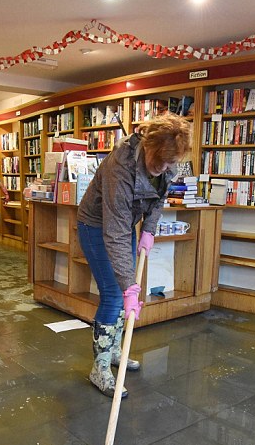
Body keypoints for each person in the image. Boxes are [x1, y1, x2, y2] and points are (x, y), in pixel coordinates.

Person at [76, 114, 192, 398]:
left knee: (121, 290)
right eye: (160, 161)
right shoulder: (122, 164)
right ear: (148, 145)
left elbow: (159, 197)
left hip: (124, 224)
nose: (164, 168)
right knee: (116, 295)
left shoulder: (168, 162)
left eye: (170, 163)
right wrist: (129, 287)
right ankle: (100, 367)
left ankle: (115, 350)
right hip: (96, 226)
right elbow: (113, 231)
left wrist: (149, 230)